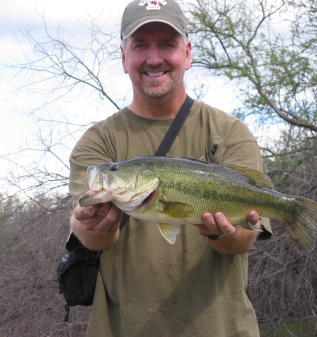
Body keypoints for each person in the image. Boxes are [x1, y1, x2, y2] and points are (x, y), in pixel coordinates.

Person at [68, 1, 270, 336]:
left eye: (167, 43)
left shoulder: (230, 132)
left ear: (187, 54)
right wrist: (86, 224)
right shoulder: (98, 141)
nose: (154, 57)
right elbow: (94, 237)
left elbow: (246, 236)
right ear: (124, 57)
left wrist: (223, 232)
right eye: (140, 45)